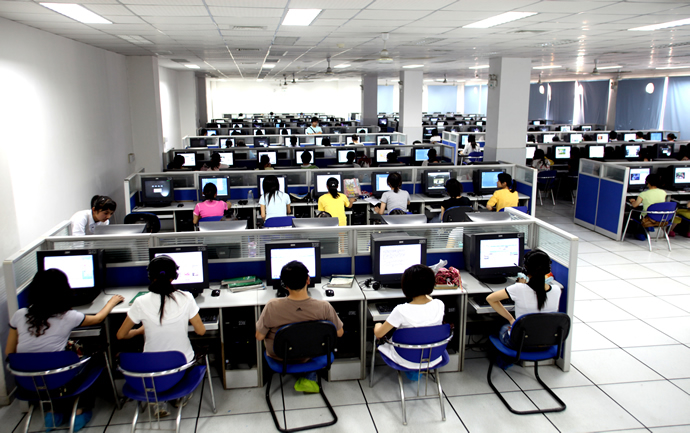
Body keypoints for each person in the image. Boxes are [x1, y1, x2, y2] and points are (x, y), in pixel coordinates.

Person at [6, 269, 124, 431]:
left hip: (28, 385)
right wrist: (111, 302)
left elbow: (9, 352)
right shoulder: (68, 316)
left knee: (52, 366)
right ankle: (80, 411)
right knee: (97, 357)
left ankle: (53, 413)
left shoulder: (19, 315)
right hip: (62, 384)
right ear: (64, 291)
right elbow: (98, 318)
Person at [117, 256, 206, 415]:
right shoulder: (186, 297)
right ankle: (179, 396)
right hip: (181, 364)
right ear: (174, 276)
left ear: (151, 276)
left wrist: (138, 331)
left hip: (150, 368)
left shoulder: (140, 302)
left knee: (155, 361)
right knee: (192, 354)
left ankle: (159, 402)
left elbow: (121, 335)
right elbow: (201, 331)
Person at [255, 261, 343, 392]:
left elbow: (259, 336)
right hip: (313, 355)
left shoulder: (272, 307)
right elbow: (339, 333)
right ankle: (309, 376)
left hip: (281, 357)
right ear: (308, 280)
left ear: (284, 285)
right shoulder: (324, 307)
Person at [373, 265, 444, 374]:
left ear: (405, 286)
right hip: (433, 357)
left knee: (379, 332)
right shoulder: (439, 305)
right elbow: (429, 299)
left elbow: (379, 334)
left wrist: (378, 324)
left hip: (406, 359)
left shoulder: (401, 310)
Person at [486, 250, 561, 350]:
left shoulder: (518, 288)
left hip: (521, 344)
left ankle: (501, 357)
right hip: (546, 344)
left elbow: (490, 299)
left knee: (497, 325)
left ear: (525, 269)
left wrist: (511, 319)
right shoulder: (557, 290)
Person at [628, 173, 666, 240]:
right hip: (660, 218)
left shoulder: (643, 194)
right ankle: (646, 230)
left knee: (634, 213)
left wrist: (632, 201)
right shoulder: (663, 192)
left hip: (647, 218)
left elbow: (635, 205)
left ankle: (639, 233)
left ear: (647, 182)